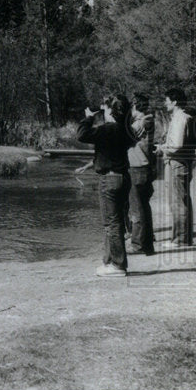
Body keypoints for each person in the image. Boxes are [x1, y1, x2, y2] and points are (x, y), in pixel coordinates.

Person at [76, 95, 134, 277]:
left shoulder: (108, 129)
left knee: (111, 223)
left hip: (109, 179)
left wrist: (89, 117)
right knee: (115, 222)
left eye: (105, 107)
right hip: (123, 177)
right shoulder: (126, 129)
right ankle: (109, 261)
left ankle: (118, 265)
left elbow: (81, 135)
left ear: (111, 110)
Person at [160, 87, 196, 247]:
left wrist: (162, 148)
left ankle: (179, 240)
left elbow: (176, 145)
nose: (165, 103)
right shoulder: (188, 117)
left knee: (177, 202)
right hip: (184, 163)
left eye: (167, 100)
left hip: (177, 163)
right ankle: (185, 238)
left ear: (174, 102)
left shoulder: (179, 119)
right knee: (183, 200)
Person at [127, 92, 157, 256]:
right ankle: (147, 244)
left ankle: (137, 244)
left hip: (137, 168)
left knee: (137, 209)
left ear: (135, 106)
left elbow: (124, 136)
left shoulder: (142, 122)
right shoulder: (148, 120)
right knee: (144, 207)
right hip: (144, 168)